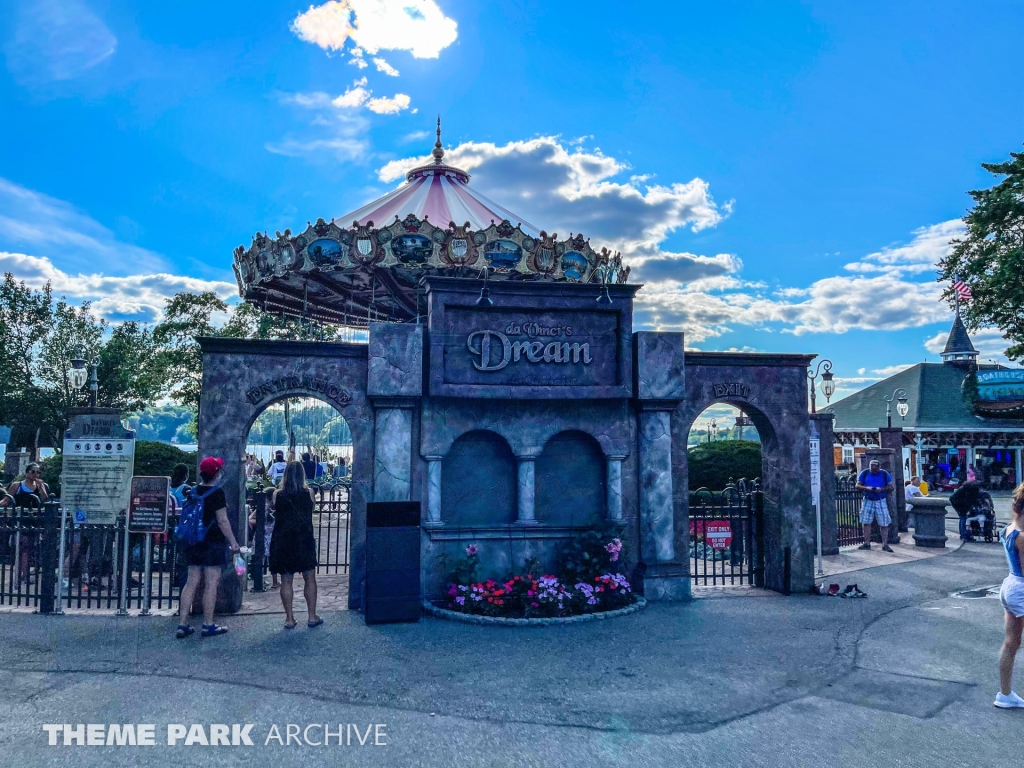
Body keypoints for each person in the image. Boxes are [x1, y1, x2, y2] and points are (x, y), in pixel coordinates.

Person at [176, 456, 241, 639]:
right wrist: (233, 542)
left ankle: (183, 623)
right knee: (211, 583)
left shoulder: (193, 491)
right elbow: (222, 520)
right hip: (212, 541)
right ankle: (208, 623)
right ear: (217, 473)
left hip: (193, 540)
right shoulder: (217, 493)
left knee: (191, 581)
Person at [269, 461, 322, 629]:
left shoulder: (277, 494)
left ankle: (289, 618)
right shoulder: (309, 493)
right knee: (310, 578)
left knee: (286, 580)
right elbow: (310, 511)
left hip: (283, 539)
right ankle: (312, 616)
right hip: (303, 538)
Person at [996, 483, 1024, 708]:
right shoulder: (1023, 536)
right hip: (1022, 588)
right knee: (1012, 642)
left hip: (1010, 586)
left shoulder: (1010, 528)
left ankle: (1004, 694)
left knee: (1011, 642)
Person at [855, 460, 895, 552]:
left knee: (884, 522)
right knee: (866, 522)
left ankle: (885, 544)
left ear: (879, 467)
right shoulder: (864, 473)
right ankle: (867, 543)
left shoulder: (884, 474)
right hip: (868, 499)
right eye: (872, 468)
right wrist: (866, 488)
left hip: (880, 500)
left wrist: (881, 489)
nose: (873, 470)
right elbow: (857, 485)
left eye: (875, 469)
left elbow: (891, 487)